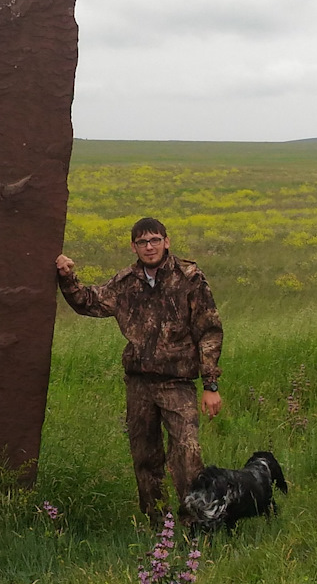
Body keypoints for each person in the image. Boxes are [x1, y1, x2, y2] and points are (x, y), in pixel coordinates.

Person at [55, 217, 223, 519]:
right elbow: (88, 302)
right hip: (139, 385)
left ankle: (195, 525)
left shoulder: (189, 278)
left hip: (177, 383)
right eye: (143, 242)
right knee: (145, 459)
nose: (149, 247)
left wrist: (210, 385)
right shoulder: (125, 283)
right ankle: (158, 526)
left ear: (166, 242)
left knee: (187, 455)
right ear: (134, 246)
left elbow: (208, 330)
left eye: (155, 240)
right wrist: (67, 276)